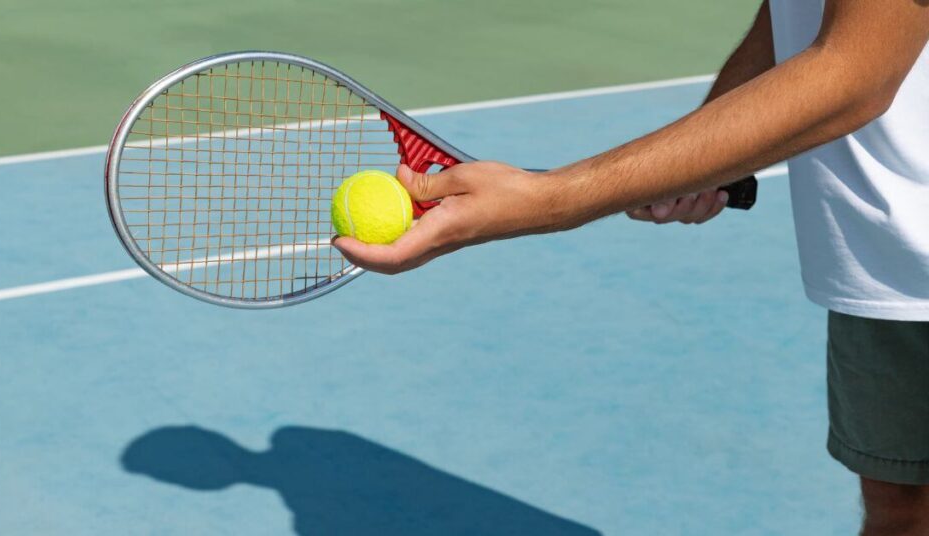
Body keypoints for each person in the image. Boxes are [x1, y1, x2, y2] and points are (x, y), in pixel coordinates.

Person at [333, 1, 929, 534]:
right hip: (880, 258)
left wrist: (558, 199)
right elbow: (796, 13)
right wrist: (701, 159)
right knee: (902, 506)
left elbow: (856, 72)